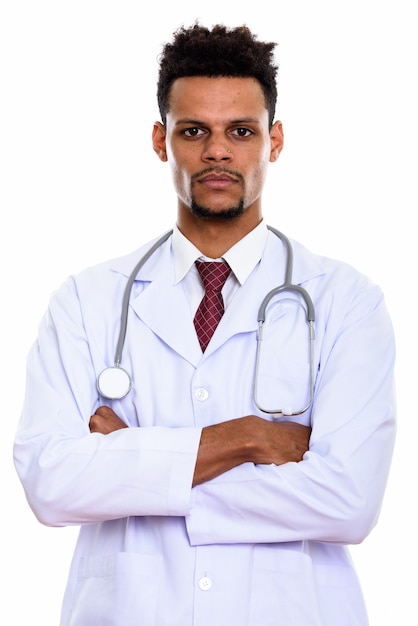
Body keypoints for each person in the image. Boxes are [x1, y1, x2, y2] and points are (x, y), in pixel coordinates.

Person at [13, 23, 396, 626]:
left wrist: (133, 462)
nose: (217, 151)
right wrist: (243, 438)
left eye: (239, 131)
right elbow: (50, 481)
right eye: (195, 131)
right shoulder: (87, 301)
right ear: (162, 140)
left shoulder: (346, 301)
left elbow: (348, 502)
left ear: (274, 140)